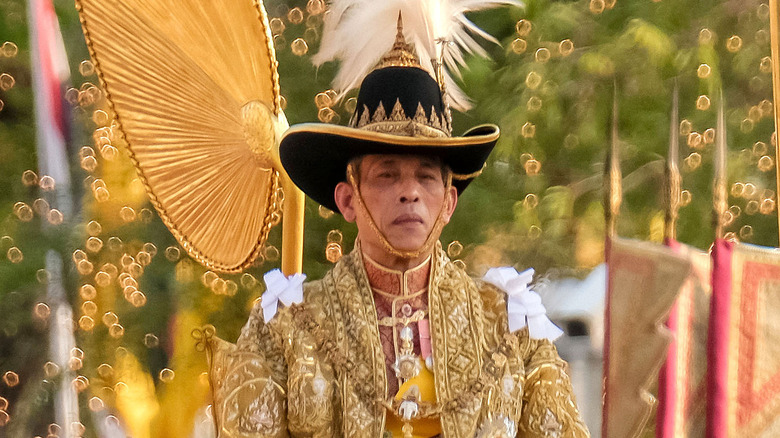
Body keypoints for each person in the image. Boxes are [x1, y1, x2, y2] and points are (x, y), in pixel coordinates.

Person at [209, 21, 589, 438]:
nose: (409, 192)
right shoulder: (282, 328)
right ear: (347, 200)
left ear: (448, 203)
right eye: (386, 175)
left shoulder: (513, 325)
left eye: (426, 177)